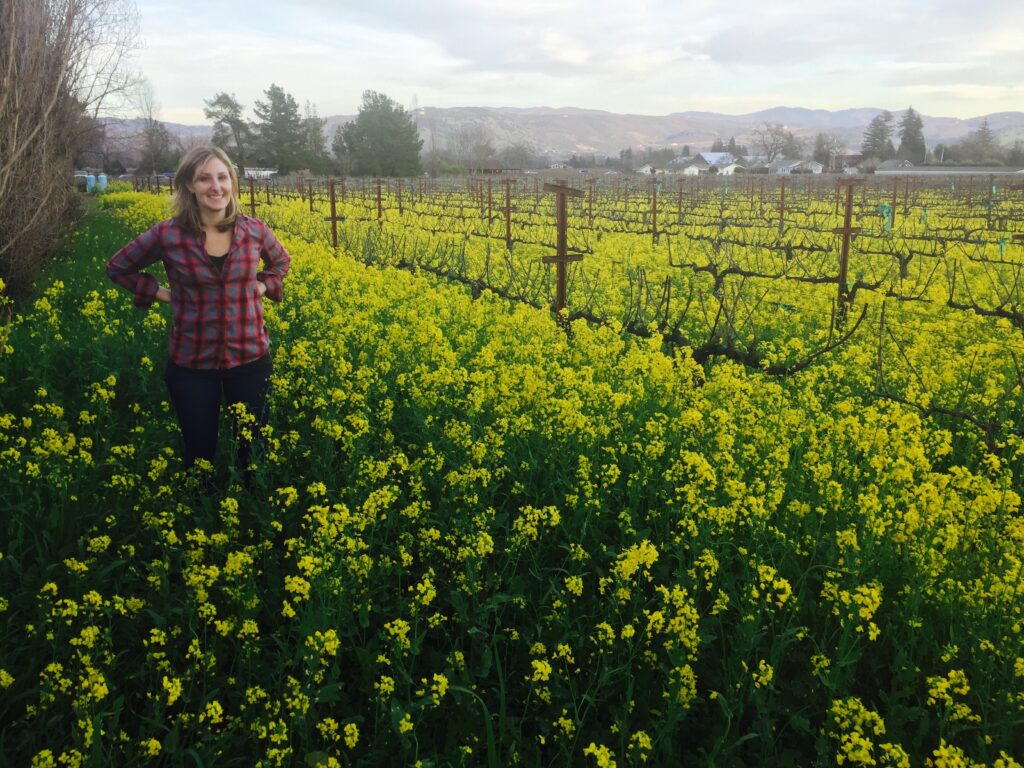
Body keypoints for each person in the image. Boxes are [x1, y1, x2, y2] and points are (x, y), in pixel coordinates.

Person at [106, 146, 290, 487]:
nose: (215, 186)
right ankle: (201, 521)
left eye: (222, 177)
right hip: (192, 363)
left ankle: (251, 519)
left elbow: (281, 263)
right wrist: (162, 295)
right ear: (189, 185)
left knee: (253, 453)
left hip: (250, 357)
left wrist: (263, 287)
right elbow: (117, 267)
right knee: (199, 454)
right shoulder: (169, 234)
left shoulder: (254, 231)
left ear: (232, 183)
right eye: (205, 178)